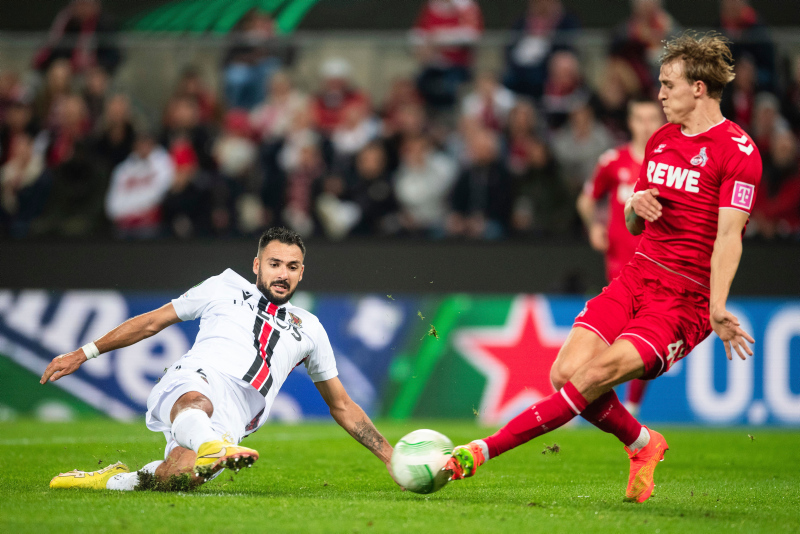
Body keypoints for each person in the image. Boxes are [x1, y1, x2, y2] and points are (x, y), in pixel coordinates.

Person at [443, 32, 762, 504]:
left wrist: (716, 306)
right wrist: (636, 203)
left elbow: (729, 235)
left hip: (682, 302)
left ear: (698, 87)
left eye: (668, 84)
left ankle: (480, 452)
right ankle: (642, 442)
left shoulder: (739, 152)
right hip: (636, 276)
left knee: (592, 377)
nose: (660, 94)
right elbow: (634, 223)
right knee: (564, 372)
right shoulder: (661, 140)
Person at [44, 227, 397, 491]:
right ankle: (210, 444)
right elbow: (153, 322)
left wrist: (391, 458)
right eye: (274, 264)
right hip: (199, 375)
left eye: (292, 266)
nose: (282, 274)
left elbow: (342, 405)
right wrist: (84, 353)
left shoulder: (310, 328)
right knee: (195, 402)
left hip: (239, 411)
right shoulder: (223, 286)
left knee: (179, 478)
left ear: (301, 272)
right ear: (257, 265)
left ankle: (110, 480)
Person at [576, 98, 664, 416]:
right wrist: (594, 227)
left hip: (656, 261)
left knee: (641, 332)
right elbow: (587, 200)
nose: (645, 124)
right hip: (620, 261)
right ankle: (621, 402)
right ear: (630, 122)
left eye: (651, 118)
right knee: (624, 332)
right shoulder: (614, 160)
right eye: (639, 118)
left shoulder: (667, 164)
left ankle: (631, 405)